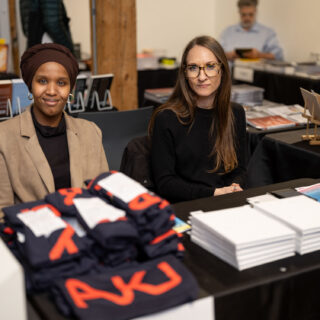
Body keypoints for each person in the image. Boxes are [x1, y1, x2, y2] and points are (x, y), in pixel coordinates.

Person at [0, 43, 108, 218]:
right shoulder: (4, 137)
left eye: (61, 83)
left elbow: (103, 195)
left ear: (71, 89)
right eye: (42, 81)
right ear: (30, 86)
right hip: (34, 237)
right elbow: (2, 212)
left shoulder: (91, 132)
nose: (51, 91)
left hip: (87, 233)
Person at [149, 36, 247, 203]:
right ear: (185, 73)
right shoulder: (166, 118)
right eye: (194, 68)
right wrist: (213, 194)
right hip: (187, 205)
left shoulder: (235, 113)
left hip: (227, 200)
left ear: (221, 70)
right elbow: (165, 183)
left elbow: (241, 169)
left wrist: (233, 188)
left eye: (210, 66)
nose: (202, 77)